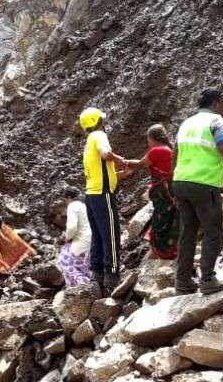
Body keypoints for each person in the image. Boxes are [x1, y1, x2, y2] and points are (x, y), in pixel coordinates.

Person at [173, 88, 223, 295]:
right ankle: (207, 279)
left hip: (181, 182)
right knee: (212, 231)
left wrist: (174, 183)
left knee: (187, 232)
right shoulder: (216, 122)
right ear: (217, 103)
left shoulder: (186, 123)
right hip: (204, 183)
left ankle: (182, 280)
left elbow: (175, 154)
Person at [79, 107, 131, 292]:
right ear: (98, 122)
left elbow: (103, 172)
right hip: (103, 195)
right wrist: (120, 159)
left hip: (92, 195)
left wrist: (121, 173)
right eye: (102, 120)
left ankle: (98, 272)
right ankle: (113, 274)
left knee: (99, 234)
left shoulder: (88, 142)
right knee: (111, 234)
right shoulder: (99, 136)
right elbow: (106, 154)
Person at [126, 124, 179, 259]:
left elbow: (139, 164)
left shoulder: (156, 151)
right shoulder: (169, 149)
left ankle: (162, 251)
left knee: (160, 218)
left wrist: (122, 161)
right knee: (170, 217)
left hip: (161, 190)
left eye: (148, 140)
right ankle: (173, 249)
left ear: (154, 138)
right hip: (171, 190)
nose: (148, 143)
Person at [58, 186, 92, 287]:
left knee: (64, 261)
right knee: (85, 266)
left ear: (69, 198)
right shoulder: (84, 206)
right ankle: (93, 287)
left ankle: (81, 288)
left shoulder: (73, 206)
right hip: (93, 240)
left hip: (83, 241)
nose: (65, 202)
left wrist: (67, 237)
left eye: (65, 200)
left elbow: (72, 227)